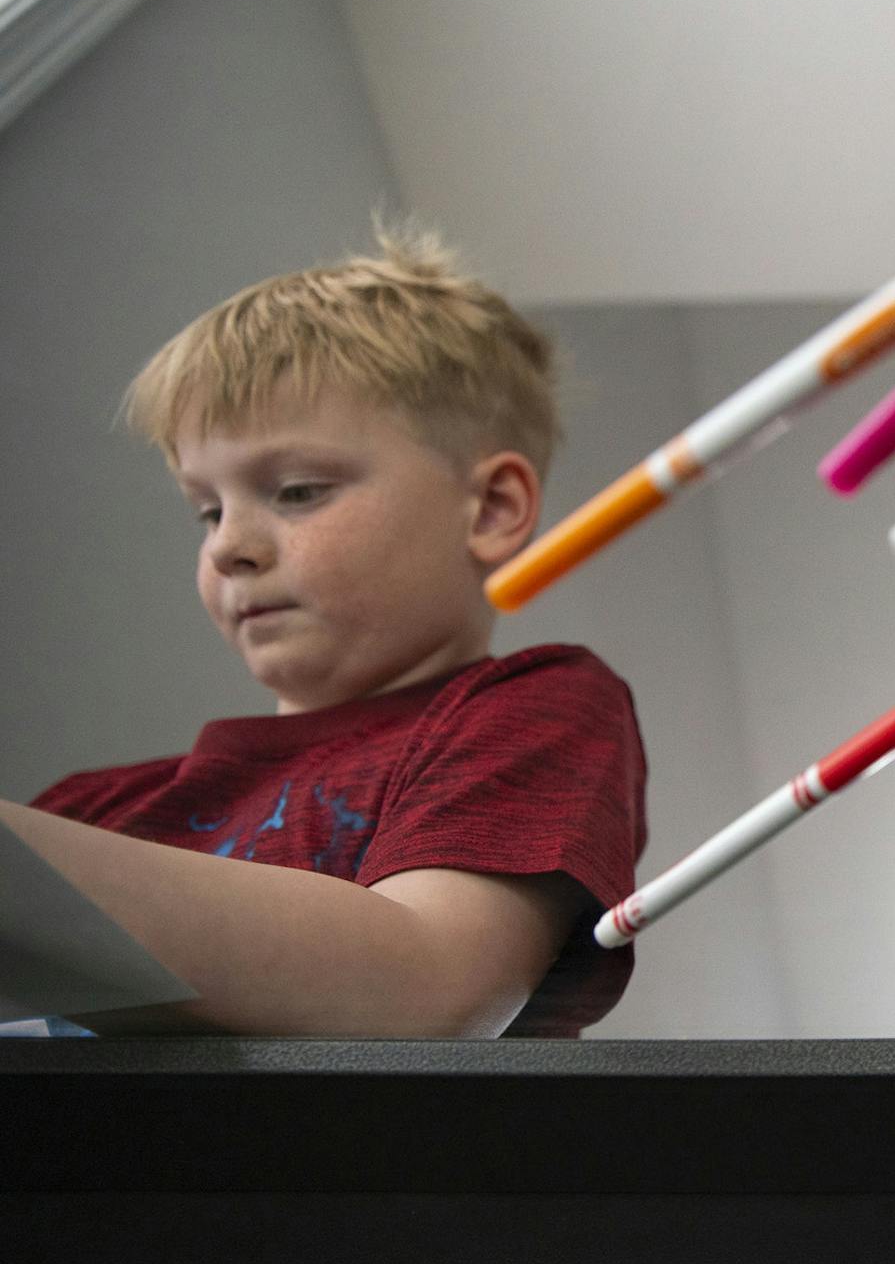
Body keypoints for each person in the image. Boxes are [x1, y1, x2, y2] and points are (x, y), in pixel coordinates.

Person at [9, 226, 647, 1037]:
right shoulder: (85, 811)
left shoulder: (531, 705)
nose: (227, 545)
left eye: (298, 491)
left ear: (490, 509)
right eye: (207, 509)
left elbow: (431, 987)